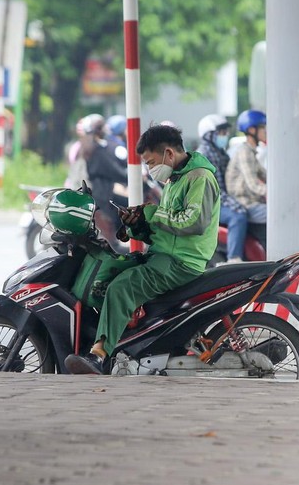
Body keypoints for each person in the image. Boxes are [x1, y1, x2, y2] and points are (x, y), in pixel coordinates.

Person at [65, 124, 221, 375]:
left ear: (169, 154)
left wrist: (151, 212)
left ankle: (99, 356)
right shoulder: (176, 178)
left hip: (181, 261)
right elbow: (166, 226)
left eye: (150, 162)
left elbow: (193, 223)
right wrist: (137, 224)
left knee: (121, 287)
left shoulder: (199, 177)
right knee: (110, 273)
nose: (149, 169)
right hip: (164, 254)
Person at [197, 113, 249, 262]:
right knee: (237, 216)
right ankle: (234, 258)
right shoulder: (204, 156)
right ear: (209, 135)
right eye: (221, 132)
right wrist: (236, 205)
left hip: (221, 200)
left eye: (225, 132)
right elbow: (214, 191)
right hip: (209, 204)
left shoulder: (220, 153)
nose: (225, 135)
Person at [225, 109, 267, 231]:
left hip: (253, 202)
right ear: (251, 130)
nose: (266, 131)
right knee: (278, 214)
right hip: (246, 204)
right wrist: (274, 194)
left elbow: (265, 175)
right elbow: (253, 185)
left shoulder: (251, 152)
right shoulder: (245, 152)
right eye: (262, 127)